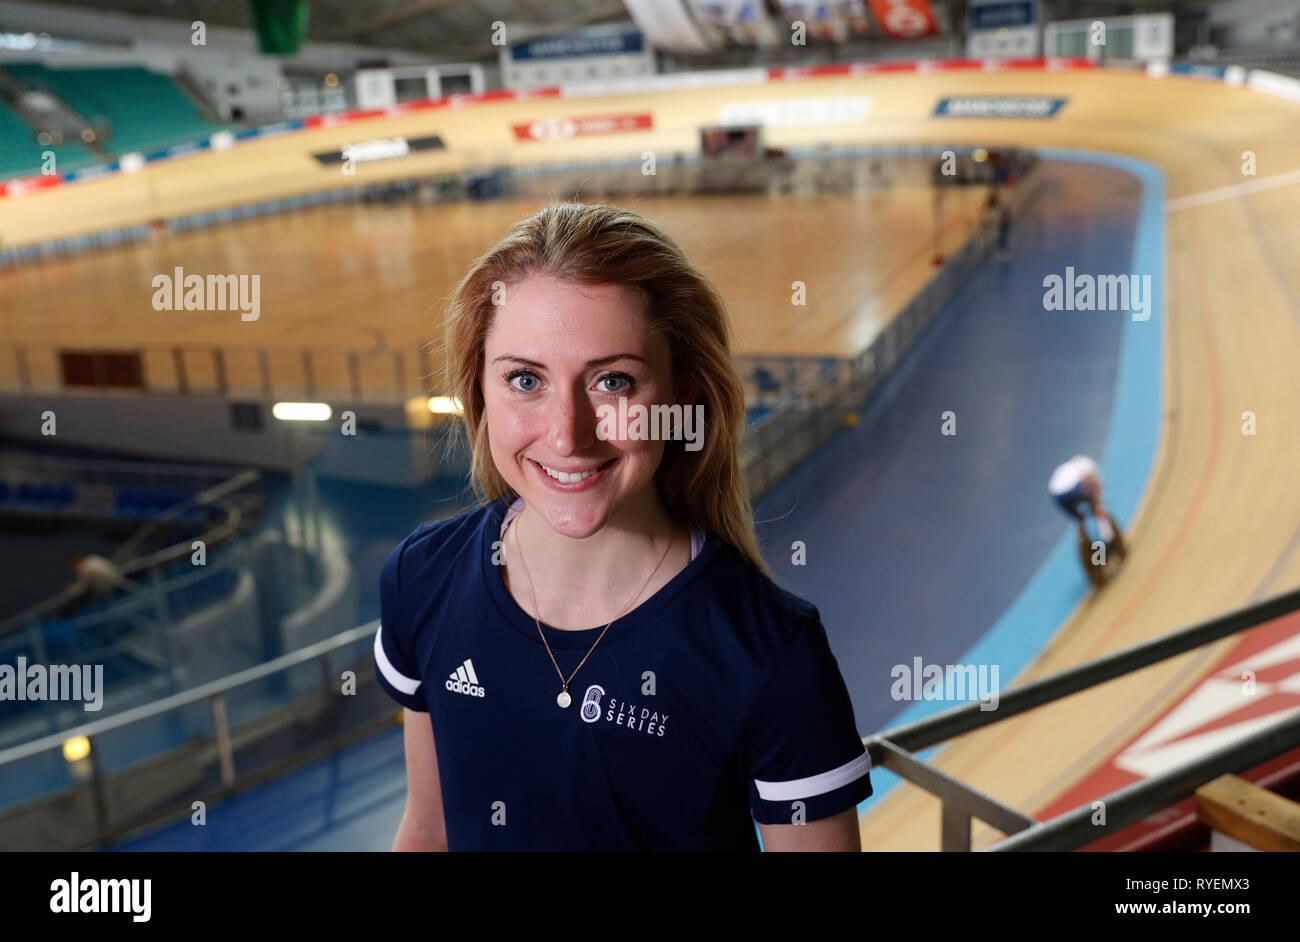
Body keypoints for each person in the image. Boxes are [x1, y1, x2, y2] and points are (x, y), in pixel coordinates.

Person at [373, 201, 872, 852]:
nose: (567, 434)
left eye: (612, 381)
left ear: (682, 396)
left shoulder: (771, 653)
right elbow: (429, 829)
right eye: (526, 379)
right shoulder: (422, 578)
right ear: (478, 389)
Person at [1048, 455, 1118, 545]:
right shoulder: (1089, 465)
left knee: (1078, 519)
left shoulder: (1067, 467)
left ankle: (1083, 540)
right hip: (1073, 488)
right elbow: (1094, 483)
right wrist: (1097, 500)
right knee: (1096, 504)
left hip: (1056, 494)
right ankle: (1108, 536)